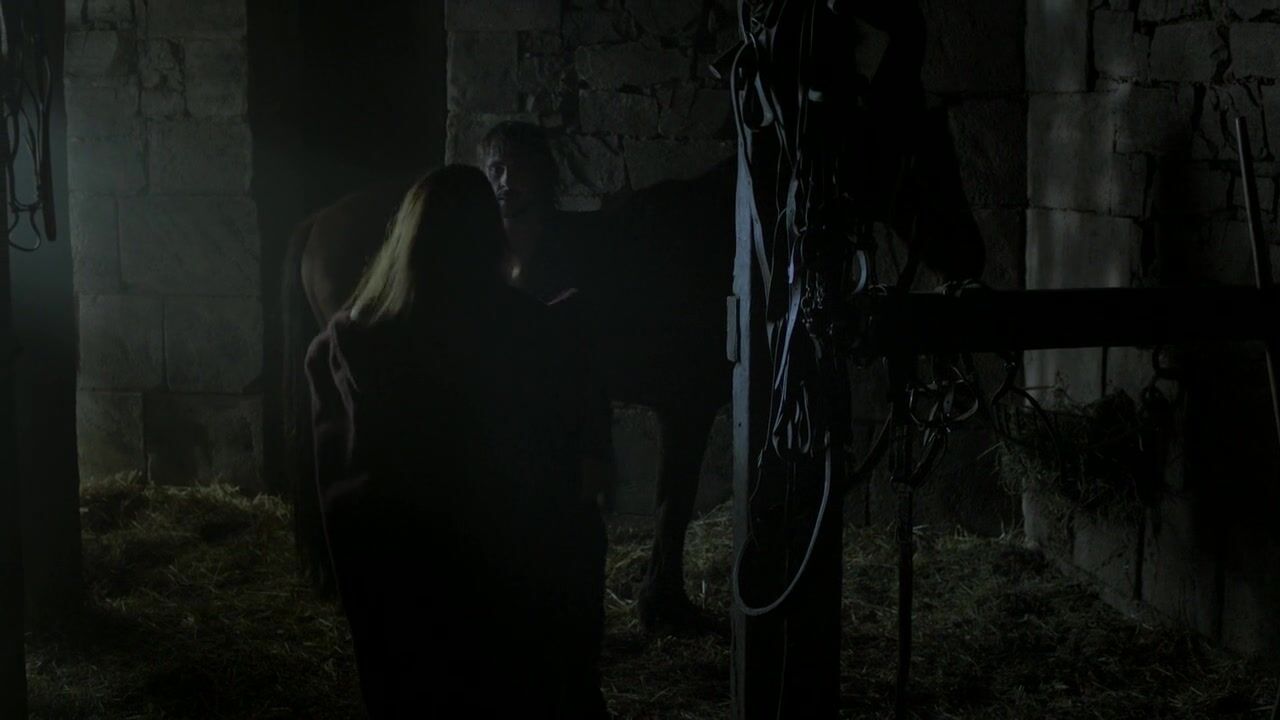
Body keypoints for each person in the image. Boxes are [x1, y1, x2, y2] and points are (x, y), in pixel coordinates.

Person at [305, 164, 612, 718]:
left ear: (406, 239)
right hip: (503, 610)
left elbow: (345, 485)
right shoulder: (532, 334)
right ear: (489, 240)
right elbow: (562, 477)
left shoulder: (349, 345)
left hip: (407, 610)